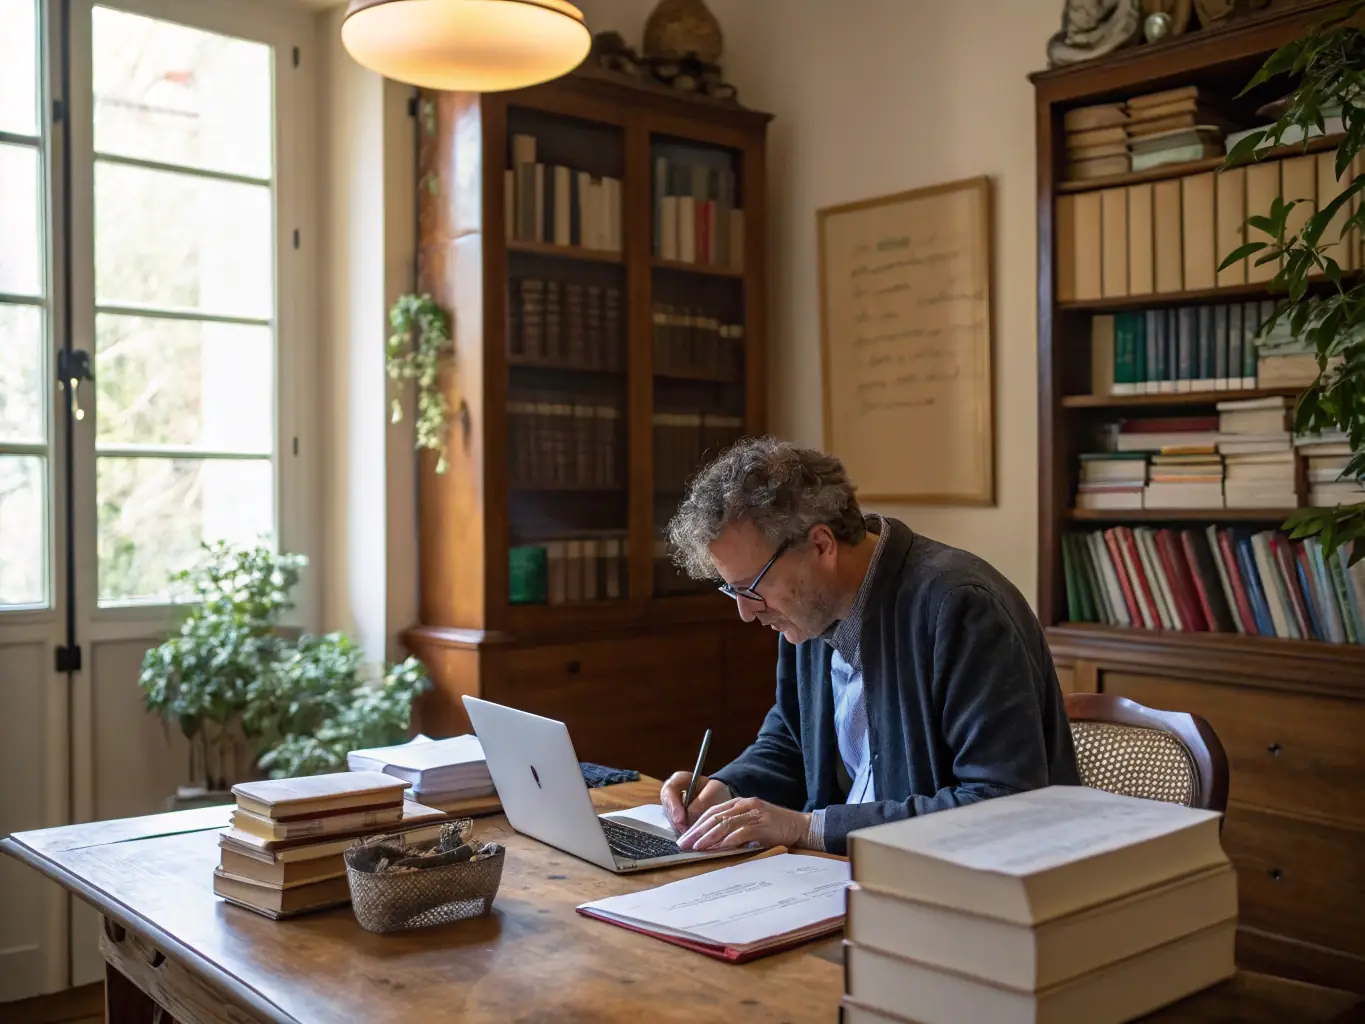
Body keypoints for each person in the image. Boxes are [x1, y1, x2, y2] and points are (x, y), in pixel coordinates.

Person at [658, 437, 1080, 856]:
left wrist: (807, 828)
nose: (746, 612)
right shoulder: (805, 611)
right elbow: (792, 740)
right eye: (732, 591)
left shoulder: (961, 609)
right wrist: (724, 791)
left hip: (966, 883)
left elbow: (1003, 802)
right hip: (842, 876)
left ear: (821, 546)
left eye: (750, 587)